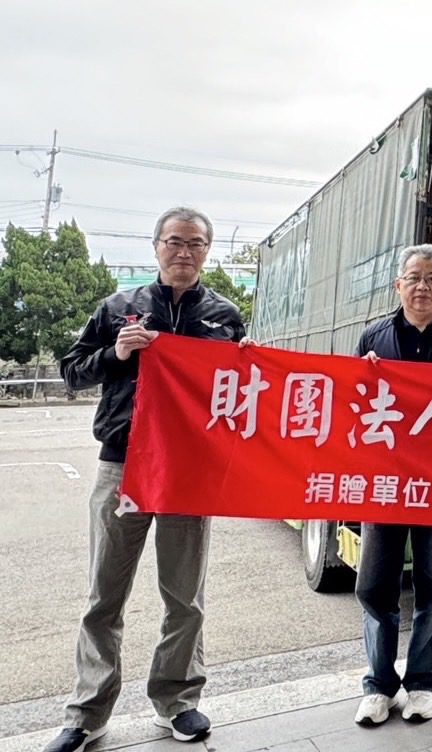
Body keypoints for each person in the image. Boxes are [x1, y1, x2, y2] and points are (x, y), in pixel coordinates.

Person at [49, 207, 246, 751]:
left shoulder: (224, 315)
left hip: (189, 468)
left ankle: (177, 702)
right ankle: (87, 713)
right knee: (104, 595)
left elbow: (239, 385)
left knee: (185, 597)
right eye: (174, 241)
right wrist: (116, 353)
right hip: (123, 463)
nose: (184, 252)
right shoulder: (119, 308)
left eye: (196, 243)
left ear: (208, 252)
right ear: (156, 246)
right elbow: (72, 370)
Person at [351, 244, 432, 726]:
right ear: (398, 285)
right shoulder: (374, 338)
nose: (422, 286)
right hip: (385, 483)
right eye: (413, 278)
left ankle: (423, 683)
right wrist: (364, 376)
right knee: (374, 586)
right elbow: (353, 406)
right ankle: (379, 685)